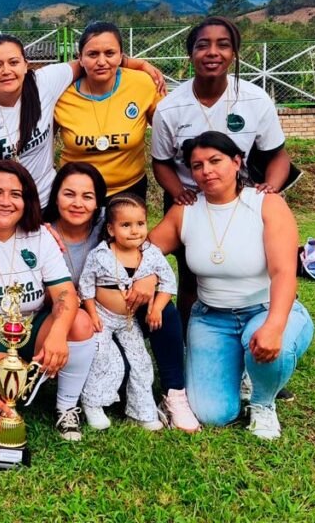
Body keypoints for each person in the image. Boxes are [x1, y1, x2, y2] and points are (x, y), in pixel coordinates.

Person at [148, 131, 314, 439]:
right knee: (213, 414)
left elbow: (283, 273)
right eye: (197, 166)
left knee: (265, 345)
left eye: (215, 161)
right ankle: (240, 370)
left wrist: (275, 325)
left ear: (237, 162)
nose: (206, 171)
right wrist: (146, 279)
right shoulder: (186, 210)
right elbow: (145, 251)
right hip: (211, 318)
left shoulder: (266, 204)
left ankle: (263, 404)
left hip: (264, 309)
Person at [151, 16, 292, 327]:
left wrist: (271, 187)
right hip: (189, 202)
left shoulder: (255, 100)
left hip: (242, 201)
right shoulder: (170, 107)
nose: (212, 52)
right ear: (190, 54)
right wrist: (179, 192)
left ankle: (262, 327)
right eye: (203, 45)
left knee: (254, 269)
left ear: (235, 53)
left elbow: (277, 155)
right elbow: (160, 161)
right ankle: (192, 346)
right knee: (192, 276)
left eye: (223, 45)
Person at [0, 160, 95, 441]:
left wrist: (58, 334)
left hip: (31, 327)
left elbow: (65, 294)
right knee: (4, 388)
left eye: (15, 194)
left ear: (26, 200)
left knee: (80, 323)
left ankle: (66, 407)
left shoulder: (39, 235)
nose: (5, 201)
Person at [44, 164, 200, 433]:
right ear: (55, 196)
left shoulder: (111, 222)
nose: (78, 203)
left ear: (98, 204)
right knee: (114, 364)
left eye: (88, 196)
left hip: (125, 313)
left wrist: (147, 276)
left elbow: (143, 244)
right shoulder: (43, 234)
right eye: (69, 194)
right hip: (80, 315)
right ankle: (92, 401)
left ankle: (174, 393)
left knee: (164, 314)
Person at [0, 34, 165, 210]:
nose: (6, 71)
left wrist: (139, 64)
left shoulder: (46, 82)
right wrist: (8, 204)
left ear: (26, 65)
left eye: (14, 62)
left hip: (44, 198)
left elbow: (94, 60)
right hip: (1, 203)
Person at [77, 194, 178, 432]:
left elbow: (168, 283)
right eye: (126, 225)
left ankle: (141, 410)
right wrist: (92, 314)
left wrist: (157, 308)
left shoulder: (151, 254)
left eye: (140, 224)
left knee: (141, 362)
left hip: (129, 321)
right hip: (103, 316)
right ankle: (93, 402)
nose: (135, 231)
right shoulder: (100, 255)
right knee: (103, 357)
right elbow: (86, 287)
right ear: (111, 229)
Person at [55, 21, 163, 202]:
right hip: (77, 195)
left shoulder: (143, 84)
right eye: (92, 54)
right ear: (79, 58)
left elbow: (168, 131)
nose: (101, 62)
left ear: (121, 56)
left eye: (110, 53)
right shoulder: (61, 94)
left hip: (129, 190)